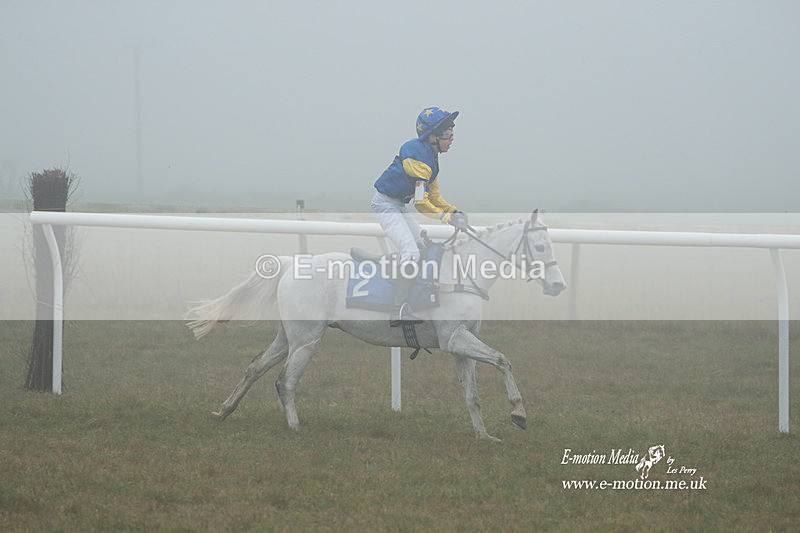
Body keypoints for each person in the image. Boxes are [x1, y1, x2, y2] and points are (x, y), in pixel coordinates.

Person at [371, 106, 469, 327]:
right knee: (412, 252)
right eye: (448, 134)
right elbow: (422, 204)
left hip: (397, 205)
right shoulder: (419, 161)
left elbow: (434, 196)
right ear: (432, 137)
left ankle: (417, 295)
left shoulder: (431, 157)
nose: (452, 139)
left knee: (424, 245)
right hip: (385, 204)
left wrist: (454, 211)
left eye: (452, 133)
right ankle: (398, 309)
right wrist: (447, 219)